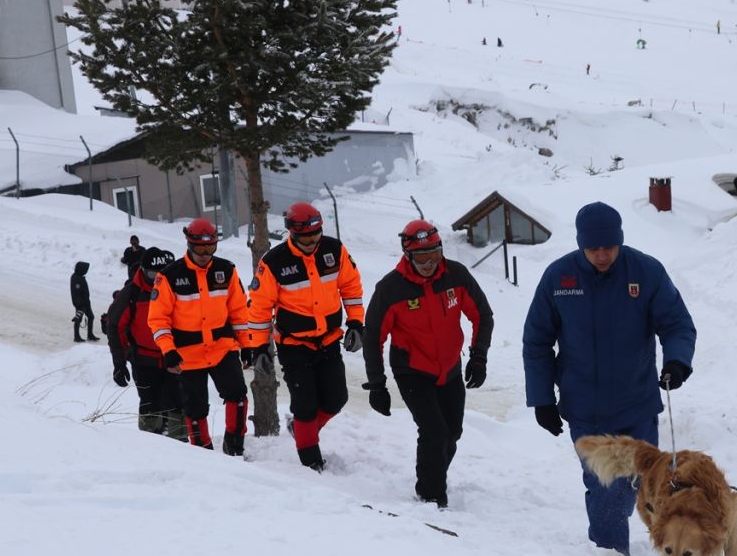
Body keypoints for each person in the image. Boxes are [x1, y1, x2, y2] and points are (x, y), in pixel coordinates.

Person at [522, 202, 696, 556]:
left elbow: (677, 323)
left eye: (609, 247)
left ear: (620, 240)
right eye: (593, 249)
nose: (602, 256)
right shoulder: (559, 278)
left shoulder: (646, 272)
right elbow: (537, 341)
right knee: (605, 487)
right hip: (585, 409)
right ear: (580, 244)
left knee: (643, 482)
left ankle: (670, 552)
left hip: (637, 405)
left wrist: (677, 361)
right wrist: (542, 399)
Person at [362, 220, 494, 508]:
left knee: (452, 433)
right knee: (434, 433)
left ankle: (432, 476)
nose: (428, 263)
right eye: (421, 258)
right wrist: (377, 384)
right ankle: (431, 497)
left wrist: (479, 356)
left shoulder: (456, 276)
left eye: (434, 255)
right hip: (412, 371)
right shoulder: (390, 289)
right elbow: (373, 338)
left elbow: (482, 315)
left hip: (450, 367)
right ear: (407, 255)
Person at [247, 202, 365, 472]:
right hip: (293, 346)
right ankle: (311, 463)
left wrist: (356, 323)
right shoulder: (274, 263)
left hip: (328, 340)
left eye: (316, 236)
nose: (312, 243)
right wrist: (259, 348)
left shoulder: (335, 251)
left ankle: (300, 430)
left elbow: (351, 287)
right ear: (292, 233)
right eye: (306, 239)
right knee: (305, 406)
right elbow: (259, 309)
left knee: (336, 399)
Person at [148, 218, 251, 455]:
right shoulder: (169, 276)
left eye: (210, 248)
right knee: (195, 408)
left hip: (222, 347)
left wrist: (247, 345)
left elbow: (238, 311)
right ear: (189, 245)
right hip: (187, 353)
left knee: (238, 395)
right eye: (199, 249)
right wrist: (168, 350)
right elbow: (158, 320)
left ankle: (235, 445)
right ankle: (203, 452)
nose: (205, 254)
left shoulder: (227, 270)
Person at [108, 247, 186, 441]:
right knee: (150, 404)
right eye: (153, 275)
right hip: (144, 360)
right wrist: (119, 363)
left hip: (174, 358)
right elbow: (115, 326)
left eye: (162, 274)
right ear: (142, 270)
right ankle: (150, 443)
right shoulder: (132, 293)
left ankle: (181, 443)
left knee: (178, 403)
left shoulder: (178, 287)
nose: (158, 279)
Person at [71, 261, 100, 342]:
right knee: (78, 319)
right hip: (80, 303)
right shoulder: (77, 279)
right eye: (85, 269)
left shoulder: (79, 276)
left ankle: (90, 335)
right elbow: (77, 293)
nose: (86, 271)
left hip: (85, 302)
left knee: (90, 317)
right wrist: (80, 304)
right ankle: (77, 336)